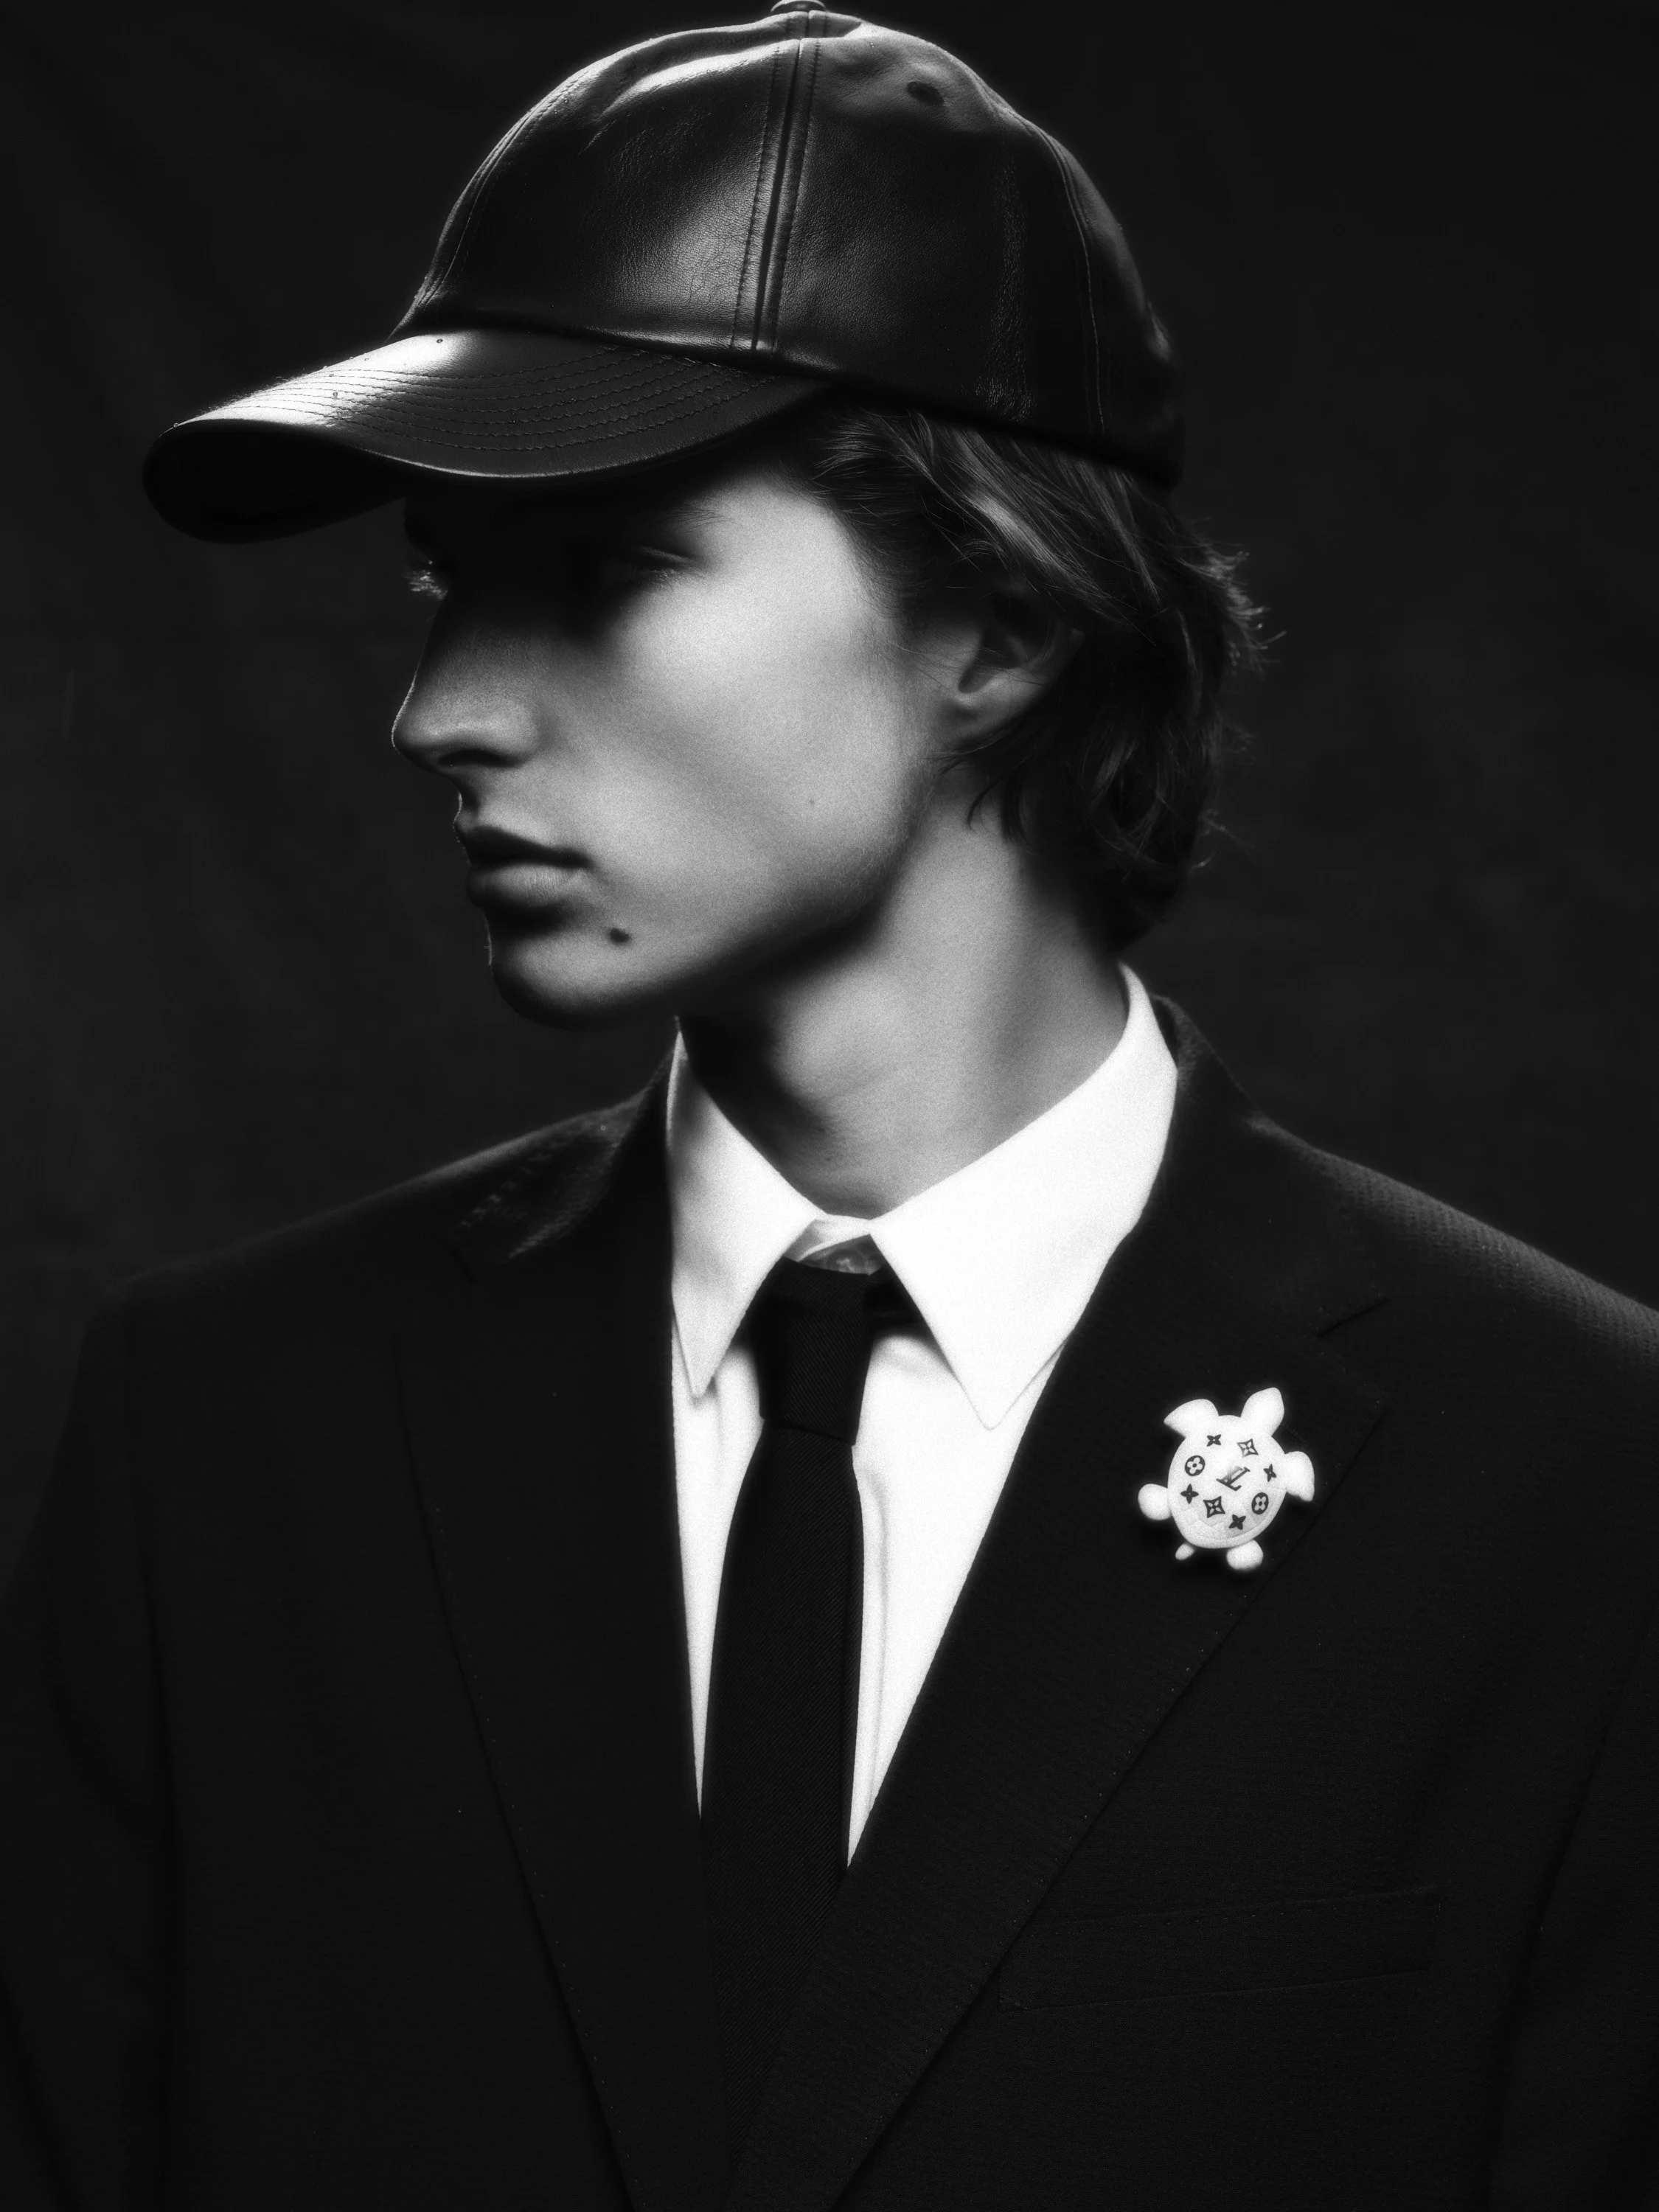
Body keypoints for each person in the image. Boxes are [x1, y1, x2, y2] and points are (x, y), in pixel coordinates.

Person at [2, 4, 1655, 2206]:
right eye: (444, 581)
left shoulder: (1571, 1486)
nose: (439, 710)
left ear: (997, 619)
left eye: (600, 567)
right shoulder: (221, 1441)